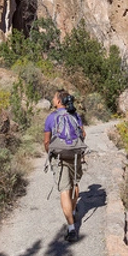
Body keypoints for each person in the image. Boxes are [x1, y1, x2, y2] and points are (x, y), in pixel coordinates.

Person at [44, 89, 86, 242]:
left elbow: (46, 141)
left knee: (64, 191)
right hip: (75, 155)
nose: (53, 99)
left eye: (54, 98)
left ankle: (71, 228)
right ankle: (73, 210)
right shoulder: (75, 115)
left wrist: (51, 155)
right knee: (75, 184)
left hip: (59, 157)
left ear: (59, 101)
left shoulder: (51, 118)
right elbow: (83, 135)